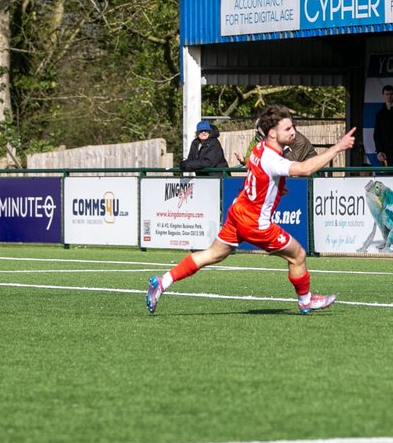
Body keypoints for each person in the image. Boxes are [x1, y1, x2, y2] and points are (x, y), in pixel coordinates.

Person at [146, 105, 357, 315]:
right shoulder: (272, 158)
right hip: (255, 222)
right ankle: (305, 301)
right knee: (298, 255)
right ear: (272, 133)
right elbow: (304, 169)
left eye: (293, 127)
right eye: (287, 129)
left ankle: (162, 282)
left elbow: (255, 170)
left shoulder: (260, 148)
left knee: (212, 254)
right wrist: (338, 147)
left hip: (239, 210)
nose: (293, 132)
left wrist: (275, 189)